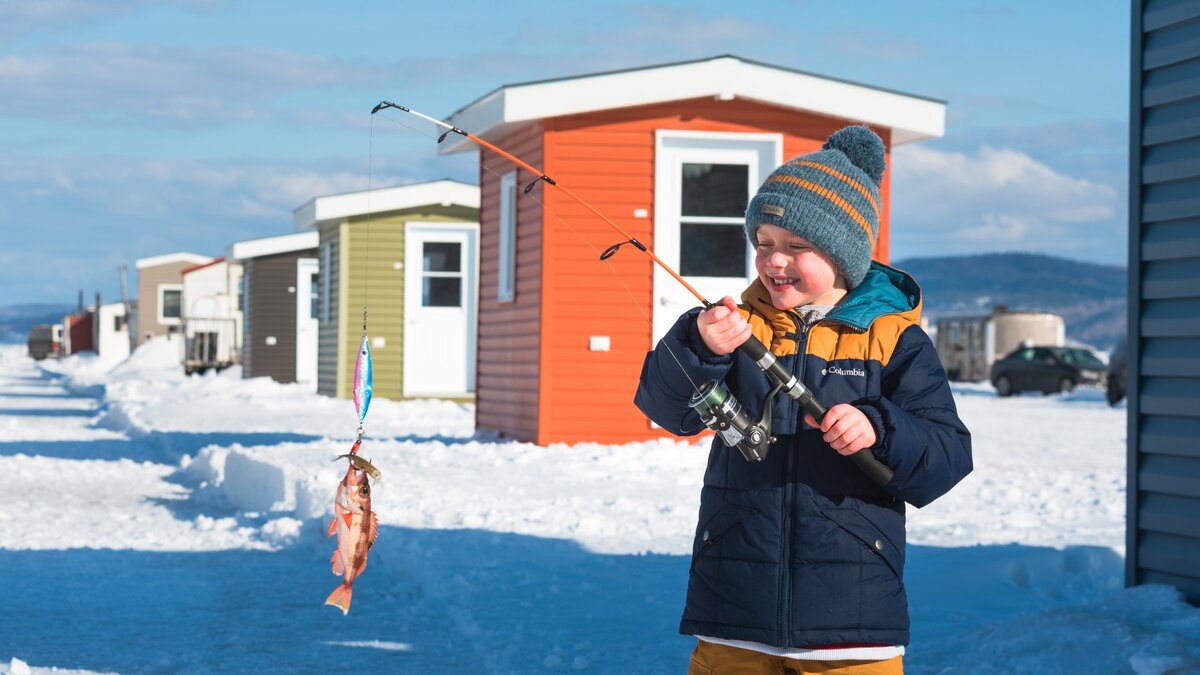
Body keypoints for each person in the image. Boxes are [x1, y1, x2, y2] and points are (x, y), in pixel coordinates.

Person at [634, 125, 972, 674]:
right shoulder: (730, 326)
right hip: (735, 608)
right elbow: (665, 407)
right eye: (764, 243)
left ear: (844, 255)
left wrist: (879, 428)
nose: (775, 260)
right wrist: (698, 347)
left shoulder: (894, 340)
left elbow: (946, 457)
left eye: (796, 246)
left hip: (852, 621)